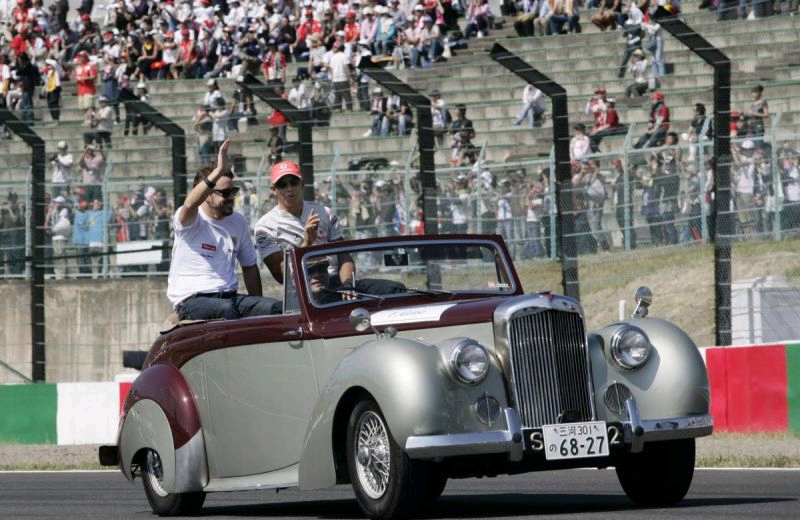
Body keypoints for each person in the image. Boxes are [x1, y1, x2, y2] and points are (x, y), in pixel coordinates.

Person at [167, 140, 281, 321]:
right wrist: (218, 171)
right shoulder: (190, 219)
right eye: (225, 193)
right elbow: (189, 203)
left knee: (276, 309)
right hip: (192, 300)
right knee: (226, 311)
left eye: (233, 191)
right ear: (206, 195)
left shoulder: (238, 222)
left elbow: (250, 267)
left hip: (230, 297)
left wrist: (258, 307)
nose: (231, 198)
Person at [255, 160, 355, 286]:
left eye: (294, 182)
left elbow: (344, 255)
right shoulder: (265, 227)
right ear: (274, 189)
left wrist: (348, 285)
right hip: (304, 288)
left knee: (383, 289)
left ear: (302, 184)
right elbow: (282, 275)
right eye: (282, 184)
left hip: (337, 281)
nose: (290, 188)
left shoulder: (325, 213)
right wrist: (307, 243)